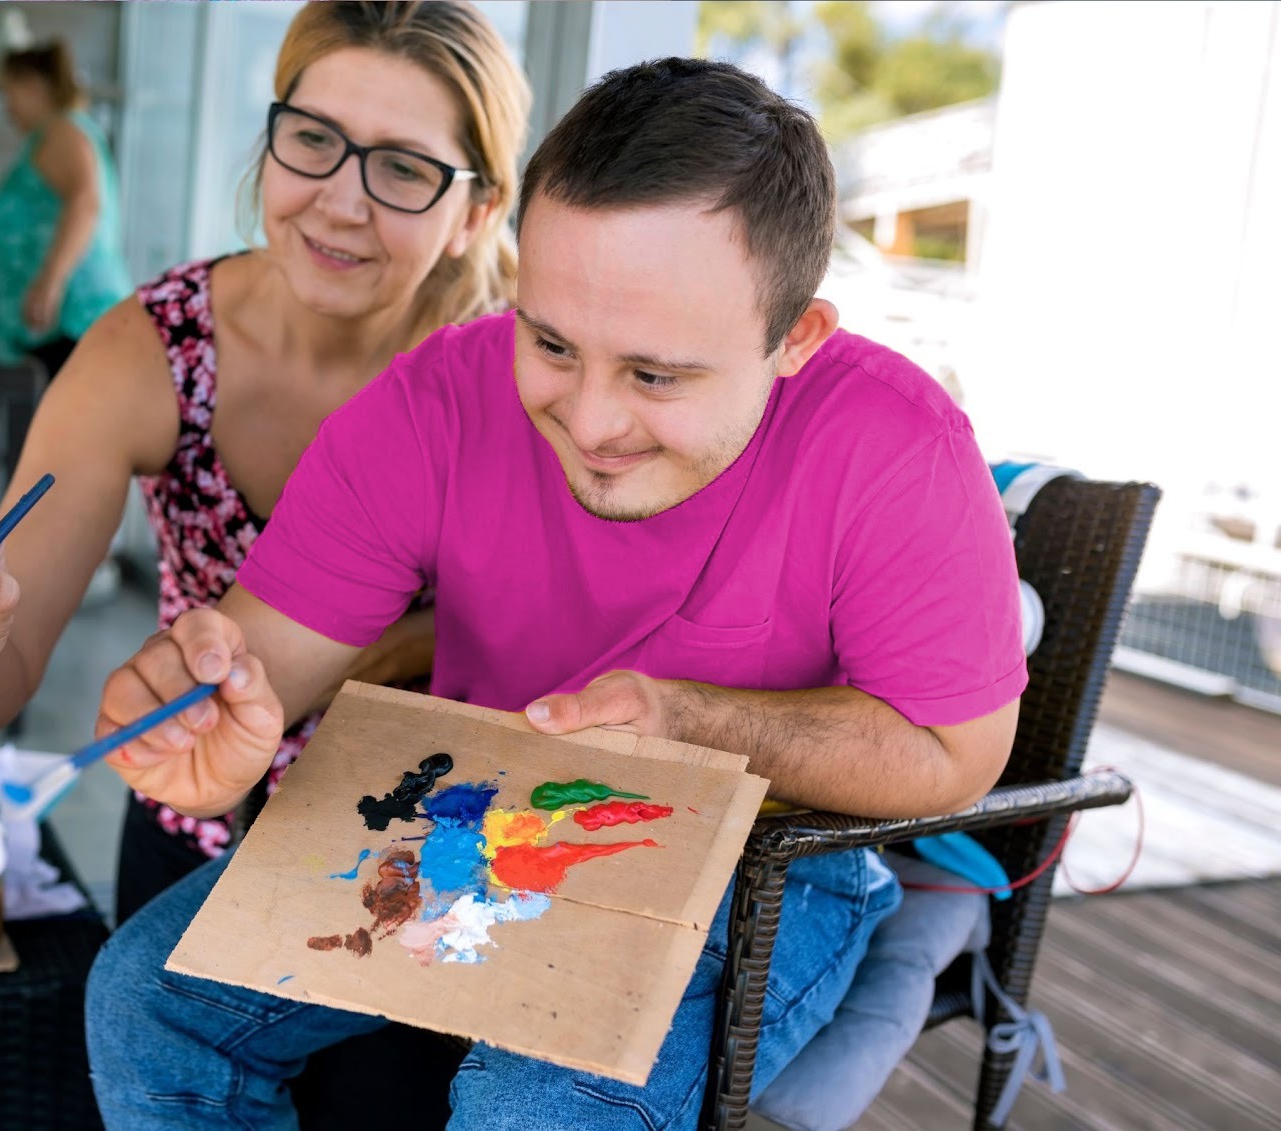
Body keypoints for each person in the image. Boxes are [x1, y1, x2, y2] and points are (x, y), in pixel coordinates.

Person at [82, 57, 1026, 1129]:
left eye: (655, 375)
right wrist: (211, 712)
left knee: (529, 1103)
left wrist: (690, 724)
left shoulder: (895, 444)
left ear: (793, 340)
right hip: (477, 818)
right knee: (141, 1001)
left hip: (765, 860)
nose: (588, 421)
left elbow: (956, 753)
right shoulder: (437, 399)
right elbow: (258, 658)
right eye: (551, 343)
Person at [0, 1, 530, 924]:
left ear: (475, 213)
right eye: (312, 140)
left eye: (405, 169)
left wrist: (355, 654)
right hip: (195, 837)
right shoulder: (156, 348)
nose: (340, 200)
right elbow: (2, 676)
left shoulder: (535, 376)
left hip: (441, 863)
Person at [0, 40, 133, 380]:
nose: (6, 107)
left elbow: (86, 203)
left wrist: (50, 282)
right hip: (63, 326)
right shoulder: (60, 132)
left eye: (9, 92)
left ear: (34, 87)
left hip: (73, 319)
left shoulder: (63, 131)